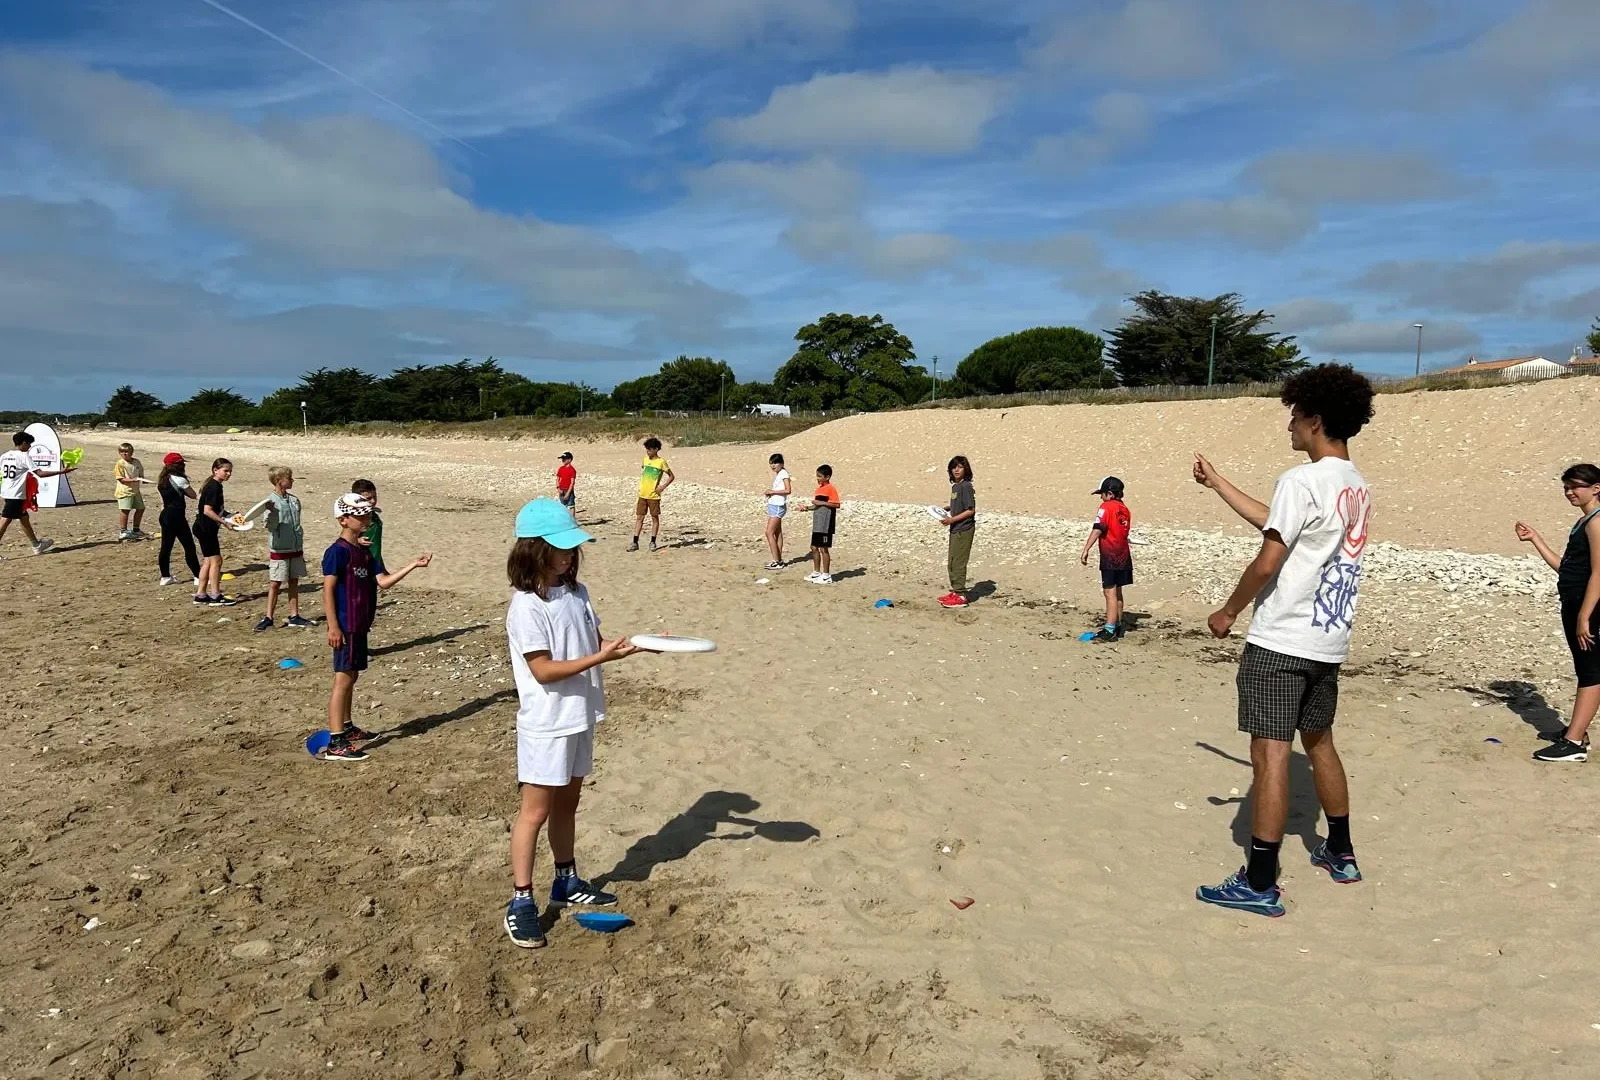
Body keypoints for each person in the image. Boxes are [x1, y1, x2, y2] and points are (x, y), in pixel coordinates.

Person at [1191, 364, 1375, 918]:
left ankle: (1260, 880)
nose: (1289, 426)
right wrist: (1219, 483)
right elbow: (1281, 526)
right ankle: (1341, 852)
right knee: (1319, 742)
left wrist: (1227, 611)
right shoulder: (1355, 485)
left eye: (1294, 416)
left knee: (1270, 756)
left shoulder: (1302, 480)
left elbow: (1270, 557)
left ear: (1315, 418)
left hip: (1282, 643)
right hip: (1328, 642)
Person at [503, 497, 640, 947]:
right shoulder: (527, 606)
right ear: (533, 549)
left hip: (581, 714)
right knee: (535, 812)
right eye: (560, 548)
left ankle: (566, 880)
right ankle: (521, 900)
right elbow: (542, 670)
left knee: (568, 804)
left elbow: (594, 638)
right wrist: (599, 656)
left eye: (572, 547)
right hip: (546, 722)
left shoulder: (577, 592)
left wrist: (629, 645)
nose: (569, 555)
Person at [320, 493, 431, 762]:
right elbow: (328, 589)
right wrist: (333, 626)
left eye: (368, 514)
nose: (367, 519)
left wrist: (413, 565)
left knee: (352, 676)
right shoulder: (337, 551)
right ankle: (336, 742)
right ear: (344, 519)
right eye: (361, 515)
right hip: (345, 626)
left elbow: (383, 582)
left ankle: (346, 727)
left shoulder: (365, 552)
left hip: (359, 626)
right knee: (342, 680)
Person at [1516, 463, 1600, 763]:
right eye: (1566, 487)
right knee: (1585, 667)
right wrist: (1536, 539)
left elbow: (1599, 573)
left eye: (1575, 486)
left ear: (1596, 488)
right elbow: (1569, 568)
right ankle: (1578, 732)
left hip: (1588, 607)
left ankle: (1574, 743)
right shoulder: (1585, 521)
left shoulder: (1596, 521)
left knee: (1591, 671)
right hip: (1575, 601)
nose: (1569, 492)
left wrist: (1585, 616)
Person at [257, 466, 314, 633]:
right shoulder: (269, 503)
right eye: (289, 478)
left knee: (294, 581)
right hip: (280, 550)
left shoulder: (294, 500)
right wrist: (272, 512)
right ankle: (268, 617)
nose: (292, 480)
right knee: (275, 583)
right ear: (279, 481)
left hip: (295, 548)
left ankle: (294, 615)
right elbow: (270, 527)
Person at [0, 431, 75, 556]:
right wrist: (61, 472)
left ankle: (36, 545)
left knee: (24, 517)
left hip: (7, 491)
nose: (30, 447)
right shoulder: (24, 456)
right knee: (5, 520)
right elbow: (40, 473)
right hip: (16, 494)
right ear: (23, 443)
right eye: (29, 444)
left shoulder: (5, 455)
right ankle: (36, 545)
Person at [1080, 477, 1133, 642]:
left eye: (1102, 494)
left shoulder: (1106, 507)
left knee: (1109, 591)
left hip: (1111, 555)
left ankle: (1109, 630)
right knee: (1118, 591)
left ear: (1109, 493)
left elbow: (1098, 529)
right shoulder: (1125, 509)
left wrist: (1086, 548)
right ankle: (1117, 624)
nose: (1100, 498)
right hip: (1124, 555)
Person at [192, 458, 237, 606]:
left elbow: (216, 509)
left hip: (202, 527)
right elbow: (207, 511)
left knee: (208, 561)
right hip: (206, 528)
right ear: (215, 470)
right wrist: (224, 522)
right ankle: (215, 595)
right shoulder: (214, 487)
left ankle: (201, 594)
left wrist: (231, 516)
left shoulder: (213, 485)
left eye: (230, 471)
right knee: (216, 561)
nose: (228, 474)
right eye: (225, 471)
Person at [155, 452, 201, 586]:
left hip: (165, 515)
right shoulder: (180, 480)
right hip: (177, 516)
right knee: (189, 546)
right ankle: (198, 576)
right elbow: (193, 495)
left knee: (166, 547)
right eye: (181, 463)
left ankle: (165, 576)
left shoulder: (162, 480)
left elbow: (163, 500)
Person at [938, 456, 976, 608]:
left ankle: (961, 596)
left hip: (964, 529)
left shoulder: (966, 486)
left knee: (959, 562)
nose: (956, 470)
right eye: (954, 467)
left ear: (965, 469)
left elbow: (970, 510)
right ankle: (955, 590)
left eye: (960, 467)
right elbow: (958, 506)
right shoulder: (956, 487)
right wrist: (946, 509)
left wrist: (951, 520)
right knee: (952, 562)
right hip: (955, 529)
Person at [629, 437, 673, 553]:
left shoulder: (661, 462)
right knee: (639, 518)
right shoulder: (645, 460)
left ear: (656, 449)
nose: (647, 452)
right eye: (646, 450)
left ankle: (653, 541)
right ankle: (635, 542)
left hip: (654, 496)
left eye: (649, 450)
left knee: (654, 518)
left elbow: (671, 476)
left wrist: (662, 487)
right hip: (643, 494)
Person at [804, 464, 840, 585]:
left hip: (826, 523)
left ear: (827, 476)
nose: (817, 478)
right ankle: (816, 573)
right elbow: (816, 505)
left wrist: (820, 502)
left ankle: (826, 575)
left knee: (824, 548)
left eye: (819, 476)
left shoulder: (831, 488)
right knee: (814, 547)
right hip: (817, 523)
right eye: (817, 476)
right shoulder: (819, 489)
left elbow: (836, 504)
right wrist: (806, 508)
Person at [113, 442, 149, 541]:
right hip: (124, 490)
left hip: (135, 490)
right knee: (125, 510)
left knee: (141, 508)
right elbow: (120, 478)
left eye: (126, 452)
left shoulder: (136, 462)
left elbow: (140, 472)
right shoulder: (120, 464)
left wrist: (142, 479)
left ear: (131, 452)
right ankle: (123, 531)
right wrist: (133, 480)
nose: (124, 454)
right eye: (122, 452)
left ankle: (136, 529)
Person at [763, 453, 792, 570]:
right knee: (777, 533)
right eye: (771, 463)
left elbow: (788, 490)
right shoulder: (780, 474)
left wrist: (772, 492)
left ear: (782, 463)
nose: (773, 465)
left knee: (769, 533)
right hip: (775, 505)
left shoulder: (784, 474)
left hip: (778, 506)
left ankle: (777, 561)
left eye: (775, 463)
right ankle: (778, 559)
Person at [350, 478, 383, 566]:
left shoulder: (372, 513)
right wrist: (357, 540)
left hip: (376, 557)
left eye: (375, 496)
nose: (373, 501)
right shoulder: (357, 517)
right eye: (368, 498)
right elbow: (345, 537)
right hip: (364, 560)